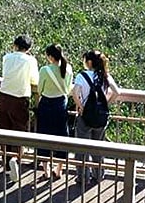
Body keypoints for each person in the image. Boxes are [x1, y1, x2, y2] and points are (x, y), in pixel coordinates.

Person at [71, 50, 121, 185]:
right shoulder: (105, 76)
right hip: (100, 117)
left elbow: (74, 93)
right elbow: (117, 92)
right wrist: (106, 104)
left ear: (89, 62)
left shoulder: (82, 76)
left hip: (85, 116)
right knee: (98, 148)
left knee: (82, 148)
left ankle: (83, 178)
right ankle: (98, 175)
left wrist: (81, 106)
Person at [0, 34, 39, 182]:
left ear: (14, 45)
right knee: (19, 131)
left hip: (3, 97)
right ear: (29, 48)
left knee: (4, 131)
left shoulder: (7, 58)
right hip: (20, 99)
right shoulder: (30, 60)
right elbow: (35, 79)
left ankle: (7, 163)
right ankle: (15, 158)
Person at [35, 44, 73, 180]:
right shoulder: (68, 69)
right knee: (62, 136)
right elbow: (68, 90)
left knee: (43, 135)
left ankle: (46, 171)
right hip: (61, 105)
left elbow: (40, 90)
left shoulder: (45, 70)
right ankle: (59, 170)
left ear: (50, 56)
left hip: (46, 104)